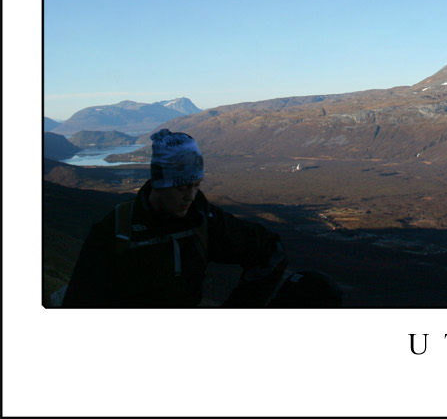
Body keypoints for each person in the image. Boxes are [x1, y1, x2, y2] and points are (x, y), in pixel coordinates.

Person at [60, 129, 304, 307]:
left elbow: (270, 250)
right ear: (158, 183)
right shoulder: (115, 230)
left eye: (196, 185)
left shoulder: (202, 218)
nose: (190, 196)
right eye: (181, 187)